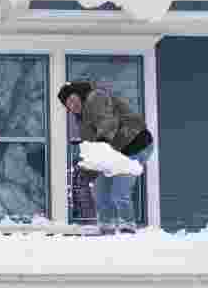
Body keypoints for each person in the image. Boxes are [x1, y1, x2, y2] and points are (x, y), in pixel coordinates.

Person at [58, 80, 154, 234]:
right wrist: (90, 166)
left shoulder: (95, 98)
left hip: (136, 145)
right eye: (67, 104)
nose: (71, 105)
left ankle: (127, 227)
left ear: (79, 95)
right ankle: (106, 226)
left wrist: (102, 142)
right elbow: (91, 145)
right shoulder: (81, 120)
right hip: (113, 152)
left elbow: (107, 122)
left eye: (72, 99)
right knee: (100, 191)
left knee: (119, 192)